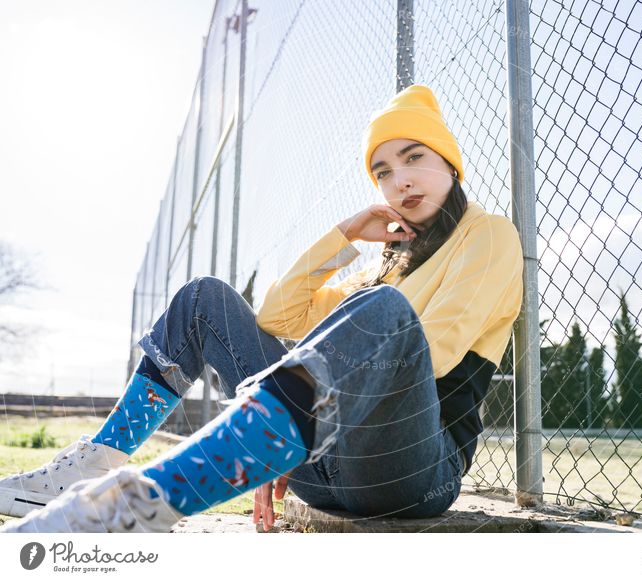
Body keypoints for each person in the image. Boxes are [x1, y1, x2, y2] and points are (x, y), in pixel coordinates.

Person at [0, 84, 524, 533]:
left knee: (384, 312)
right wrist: (342, 236)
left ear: (450, 164)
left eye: (415, 158)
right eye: (383, 171)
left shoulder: (489, 236)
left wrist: (290, 421)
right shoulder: (382, 271)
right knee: (206, 299)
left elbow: (435, 351)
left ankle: (142, 501)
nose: (399, 180)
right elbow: (278, 317)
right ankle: (97, 463)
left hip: (412, 474)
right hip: (323, 470)